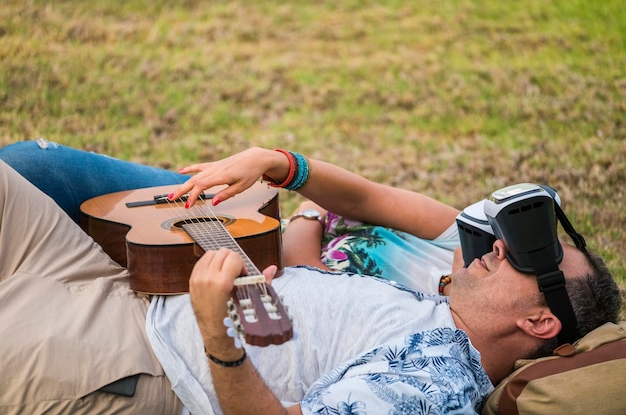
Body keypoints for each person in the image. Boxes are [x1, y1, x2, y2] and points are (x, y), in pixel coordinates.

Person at [0, 142, 621, 414]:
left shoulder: (432, 387)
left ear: (538, 321)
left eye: (526, 262)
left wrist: (219, 333)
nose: (497, 251)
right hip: (106, 275)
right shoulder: (429, 300)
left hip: (133, 357)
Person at [0, 140, 461, 295]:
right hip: (246, 213)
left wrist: (308, 215)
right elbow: (367, 196)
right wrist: (275, 161)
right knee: (33, 166)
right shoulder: (473, 236)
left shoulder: (461, 322)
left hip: (252, 279)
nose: (496, 248)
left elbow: (309, 280)